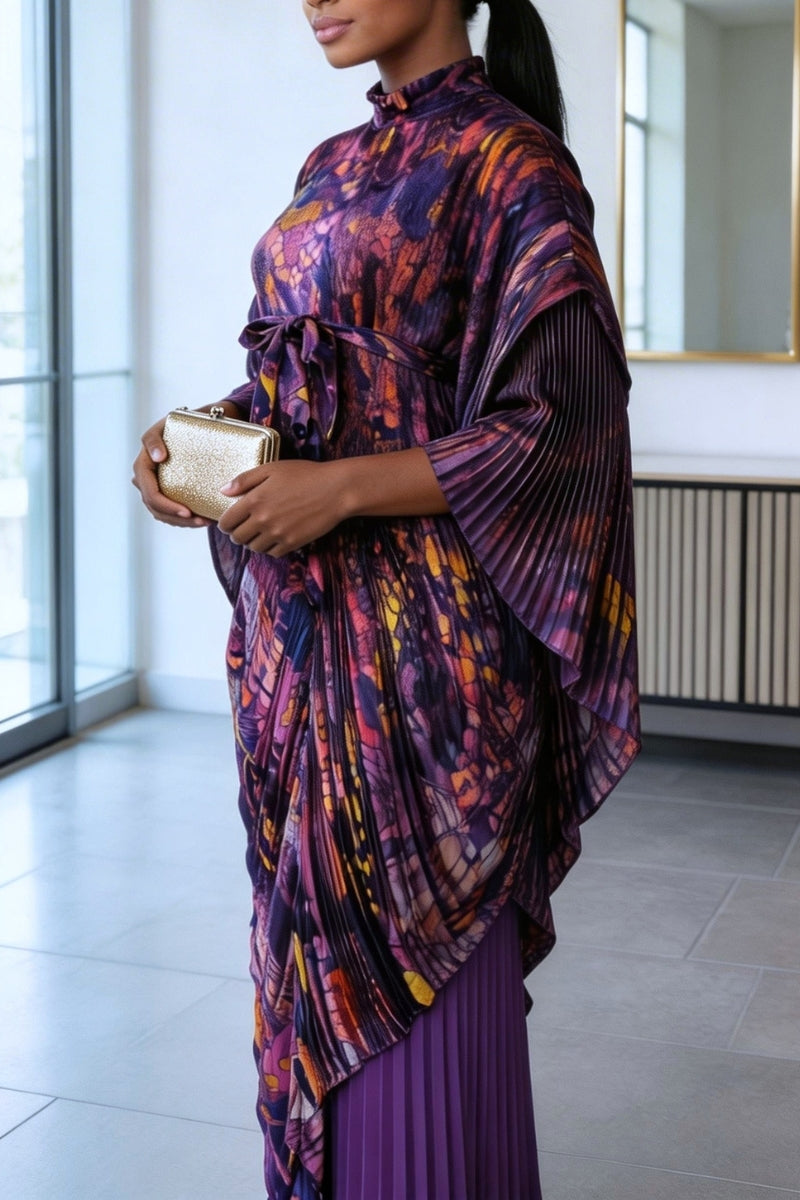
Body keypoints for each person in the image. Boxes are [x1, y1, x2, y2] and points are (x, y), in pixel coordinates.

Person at [133, 1, 641, 1196]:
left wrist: (343, 494)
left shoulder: (512, 163)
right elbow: (300, 388)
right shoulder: (332, 165)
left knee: (412, 979)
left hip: (427, 678)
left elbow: (562, 427)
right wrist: (197, 450)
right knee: (313, 970)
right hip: (303, 663)